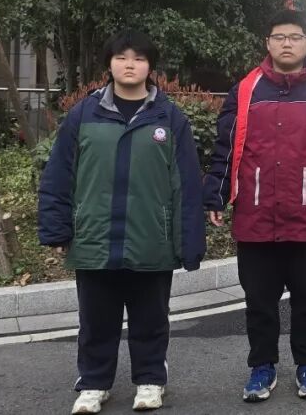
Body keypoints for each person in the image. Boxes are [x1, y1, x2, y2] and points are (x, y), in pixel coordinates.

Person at [38, 31, 205, 415]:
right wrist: (56, 227)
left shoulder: (169, 118)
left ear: (151, 67)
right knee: (96, 320)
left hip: (151, 241)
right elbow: (60, 174)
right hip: (94, 238)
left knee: (151, 318)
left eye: (139, 58)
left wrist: (189, 241)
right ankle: (94, 383)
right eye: (121, 57)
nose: (130, 65)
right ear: (109, 64)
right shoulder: (84, 114)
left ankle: (150, 380)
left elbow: (186, 185)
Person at [202, 9, 306, 403]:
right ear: (267, 43)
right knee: (259, 302)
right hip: (255, 214)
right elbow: (225, 146)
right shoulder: (246, 89)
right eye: (279, 37)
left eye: (295, 36)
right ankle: (262, 367)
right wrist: (216, 192)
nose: (287, 43)